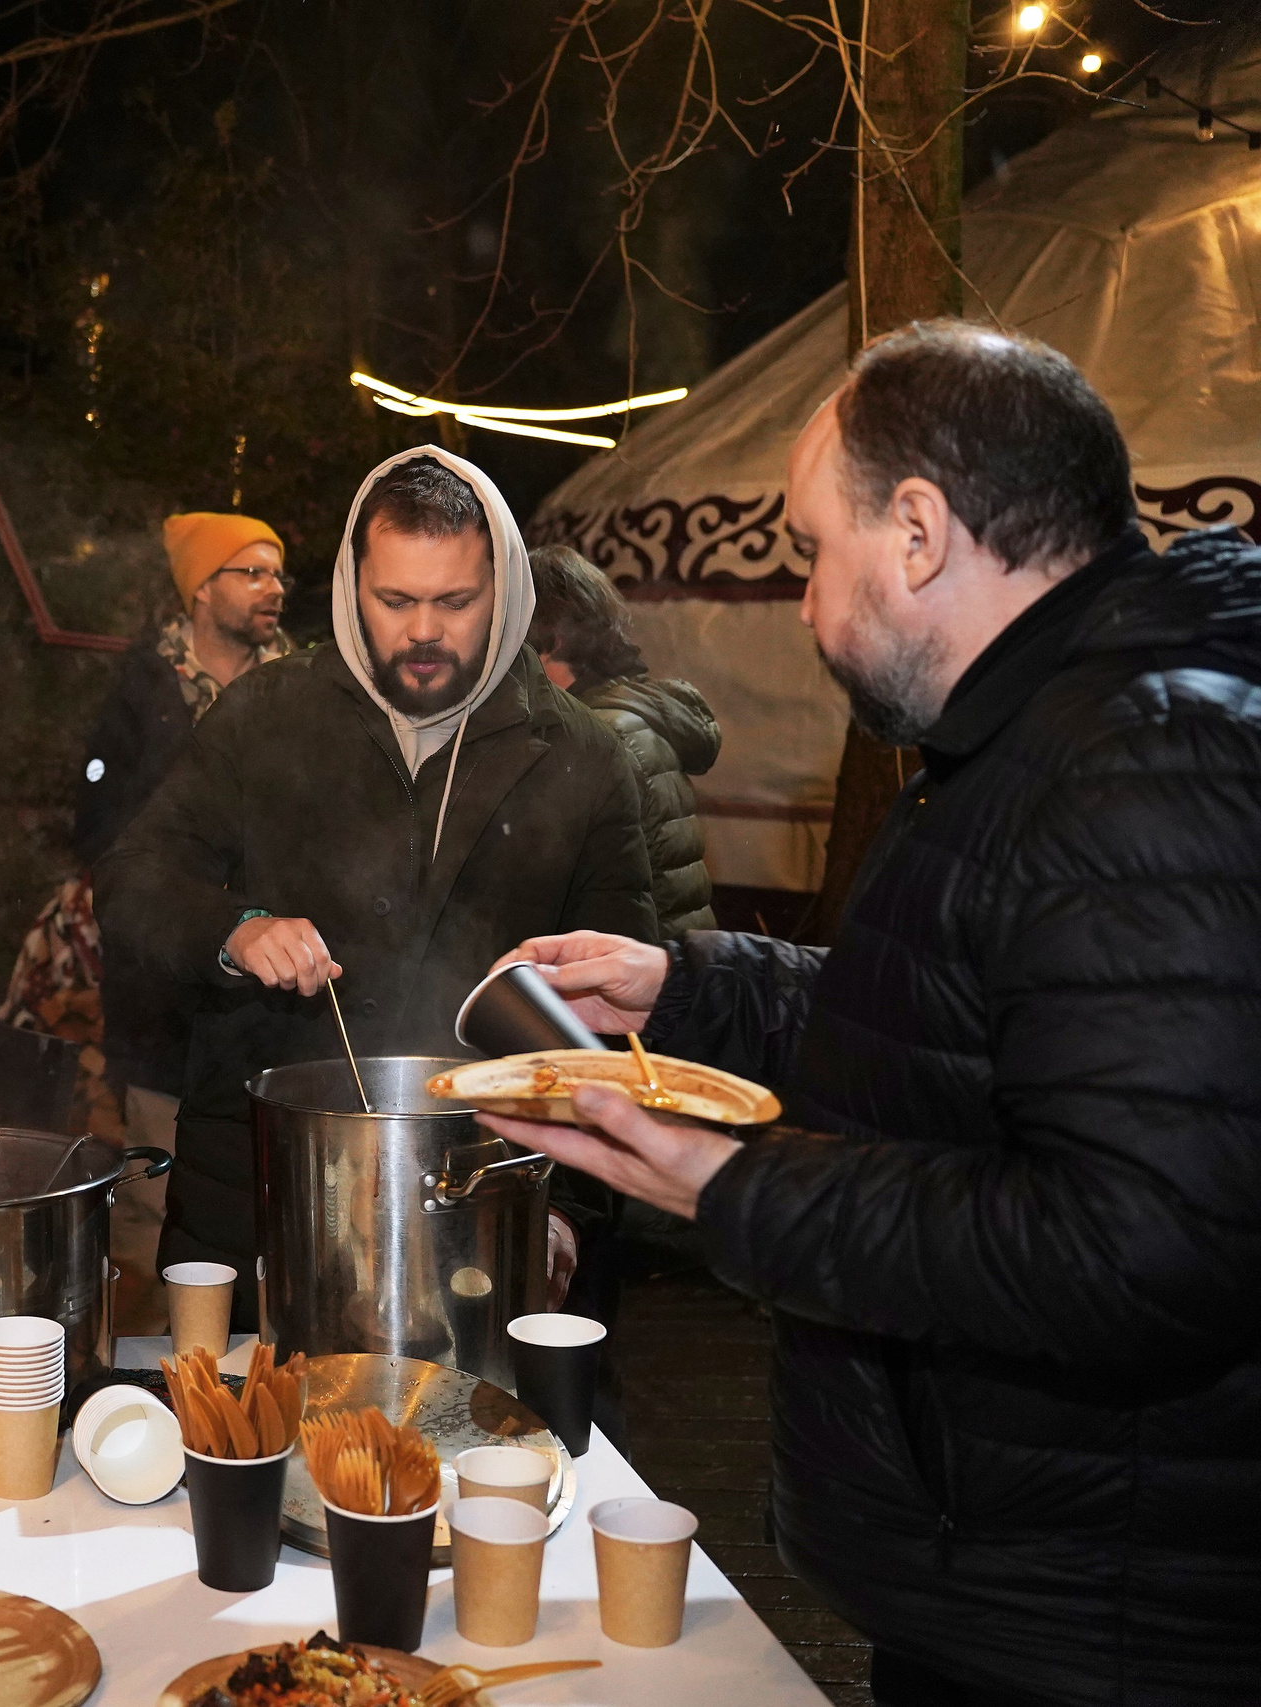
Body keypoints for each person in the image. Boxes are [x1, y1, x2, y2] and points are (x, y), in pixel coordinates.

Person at [485, 322, 1261, 1705]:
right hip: (1031, 1572)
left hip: (1095, 1621)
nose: (800, 602)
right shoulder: (1048, 731)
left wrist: (733, 1185)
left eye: (811, 550)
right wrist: (697, 985)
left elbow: (1138, 1242)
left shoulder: (1135, 763)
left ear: (915, 532)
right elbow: (975, 1036)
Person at [96, 447, 655, 1331]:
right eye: (394, 600)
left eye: (455, 601)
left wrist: (567, 1213)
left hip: (481, 1200)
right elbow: (134, 878)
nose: (422, 631)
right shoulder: (263, 715)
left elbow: (612, 1028)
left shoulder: (584, 757)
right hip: (257, 1196)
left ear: (505, 588)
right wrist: (234, 929)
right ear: (352, 585)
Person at [3, 511, 296, 1327]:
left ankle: (256, 1369)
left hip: (281, 1008)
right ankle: (140, 1374)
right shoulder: (140, 693)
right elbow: (108, 841)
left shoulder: (305, 689)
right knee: (154, 1204)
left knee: (275, 1213)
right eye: (251, 572)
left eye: (277, 573)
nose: (273, 588)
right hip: (167, 1001)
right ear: (201, 588)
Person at [527, 544, 719, 938]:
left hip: (643, 965)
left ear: (553, 638)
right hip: (676, 956)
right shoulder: (629, 713)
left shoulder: (594, 734)